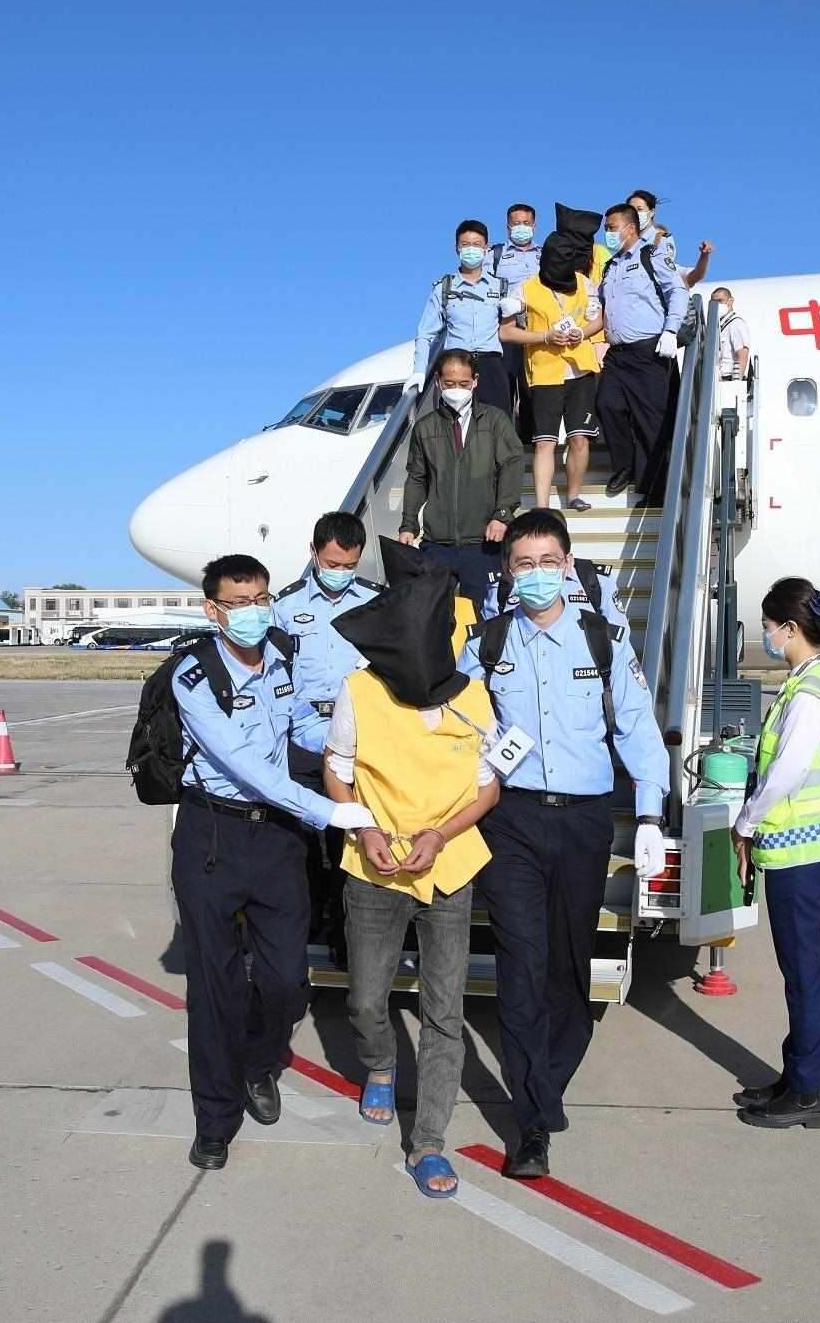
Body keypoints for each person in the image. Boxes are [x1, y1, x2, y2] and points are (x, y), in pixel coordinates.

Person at [457, 511, 669, 1178]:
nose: (537, 573)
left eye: (548, 561)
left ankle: (547, 1082)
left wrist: (651, 816)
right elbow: (458, 726)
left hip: (583, 822)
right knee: (521, 965)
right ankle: (531, 1123)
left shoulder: (603, 639)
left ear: (569, 565)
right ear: (508, 571)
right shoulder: (485, 644)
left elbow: (637, 728)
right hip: (511, 821)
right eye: (524, 563)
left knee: (570, 971)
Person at [168, 554, 375, 1172]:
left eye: (261, 599)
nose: (254, 612)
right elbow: (247, 766)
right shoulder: (194, 675)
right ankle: (214, 1119)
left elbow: (300, 727)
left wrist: (358, 742)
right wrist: (329, 811)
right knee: (215, 987)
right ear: (213, 610)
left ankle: (259, 1064)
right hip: (214, 835)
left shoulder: (282, 654)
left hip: (277, 841)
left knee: (287, 982)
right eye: (239, 603)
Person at [325, 540, 499, 1199]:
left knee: (443, 1011)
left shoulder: (474, 698)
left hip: (449, 867)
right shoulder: (359, 692)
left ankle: (427, 1142)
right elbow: (337, 770)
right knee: (366, 998)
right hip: (374, 867)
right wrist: (364, 828)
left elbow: (488, 788)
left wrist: (441, 834)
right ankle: (379, 1062)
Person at [732, 578, 820, 1131]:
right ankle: (797, 1075)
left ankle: (809, 1089)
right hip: (809, 844)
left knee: (802, 969)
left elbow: (786, 771)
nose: (764, 635)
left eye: (768, 626)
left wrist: (746, 822)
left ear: (789, 628)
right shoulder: (810, 680)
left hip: (800, 849)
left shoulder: (807, 694)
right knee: (798, 967)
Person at [272, 512, 383, 963]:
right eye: (333, 563)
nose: (340, 572)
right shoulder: (285, 607)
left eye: (349, 565)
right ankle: (301, 932)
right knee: (297, 846)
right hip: (302, 739)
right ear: (314, 553)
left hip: (355, 743)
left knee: (349, 845)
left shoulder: (376, 602)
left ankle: (344, 937)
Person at [398, 348, 524, 608]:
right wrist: (408, 525)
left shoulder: (496, 421)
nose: (457, 390)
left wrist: (502, 514)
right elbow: (417, 478)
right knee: (433, 616)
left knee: (483, 616)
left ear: (475, 381)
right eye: (450, 384)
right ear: (438, 382)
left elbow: (511, 467)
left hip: (484, 543)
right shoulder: (425, 428)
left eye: (464, 384)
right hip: (436, 544)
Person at [499, 230, 605, 513]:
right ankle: (542, 505)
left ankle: (574, 495)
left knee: (580, 437)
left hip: (581, 369)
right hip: (544, 372)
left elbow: (598, 319)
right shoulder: (526, 288)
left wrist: (582, 332)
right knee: (544, 441)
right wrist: (544, 337)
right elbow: (506, 332)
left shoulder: (584, 283)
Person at [595, 203, 688, 504]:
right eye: (606, 228)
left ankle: (657, 490)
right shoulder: (610, 266)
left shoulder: (652, 256)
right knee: (607, 405)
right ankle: (624, 466)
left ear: (631, 228)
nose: (607, 233)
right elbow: (602, 309)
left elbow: (678, 291)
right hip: (617, 354)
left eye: (612, 228)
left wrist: (671, 330)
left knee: (652, 422)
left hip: (648, 350)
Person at [411, 219, 523, 417]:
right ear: (457, 248)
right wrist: (419, 370)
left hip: (491, 365)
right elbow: (425, 334)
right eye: (466, 245)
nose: (471, 249)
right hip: (457, 366)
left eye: (477, 245)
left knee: (498, 424)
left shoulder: (501, 287)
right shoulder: (444, 288)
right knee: (455, 426)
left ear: (486, 248)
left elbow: (512, 326)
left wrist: (521, 306)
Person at [492, 204, 543, 442]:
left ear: (534, 225)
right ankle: (505, 440)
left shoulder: (545, 255)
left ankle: (531, 436)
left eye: (526, 223)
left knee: (532, 386)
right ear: (508, 226)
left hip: (538, 330)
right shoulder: (495, 255)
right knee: (506, 385)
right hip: (508, 330)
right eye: (516, 223)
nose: (521, 227)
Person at [627, 189, 713, 289]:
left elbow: (693, 277)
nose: (635, 214)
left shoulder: (661, 242)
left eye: (640, 209)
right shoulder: (622, 247)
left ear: (652, 212)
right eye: (631, 210)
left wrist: (704, 255)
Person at [711, 287, 752, 383]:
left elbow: (742, 354)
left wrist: (736, 384)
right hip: (719, 380)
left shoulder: (736, 323)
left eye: (720, 301)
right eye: (714, 303)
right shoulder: (718, 326)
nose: (717, 305)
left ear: (730, 301)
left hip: (729, 379)